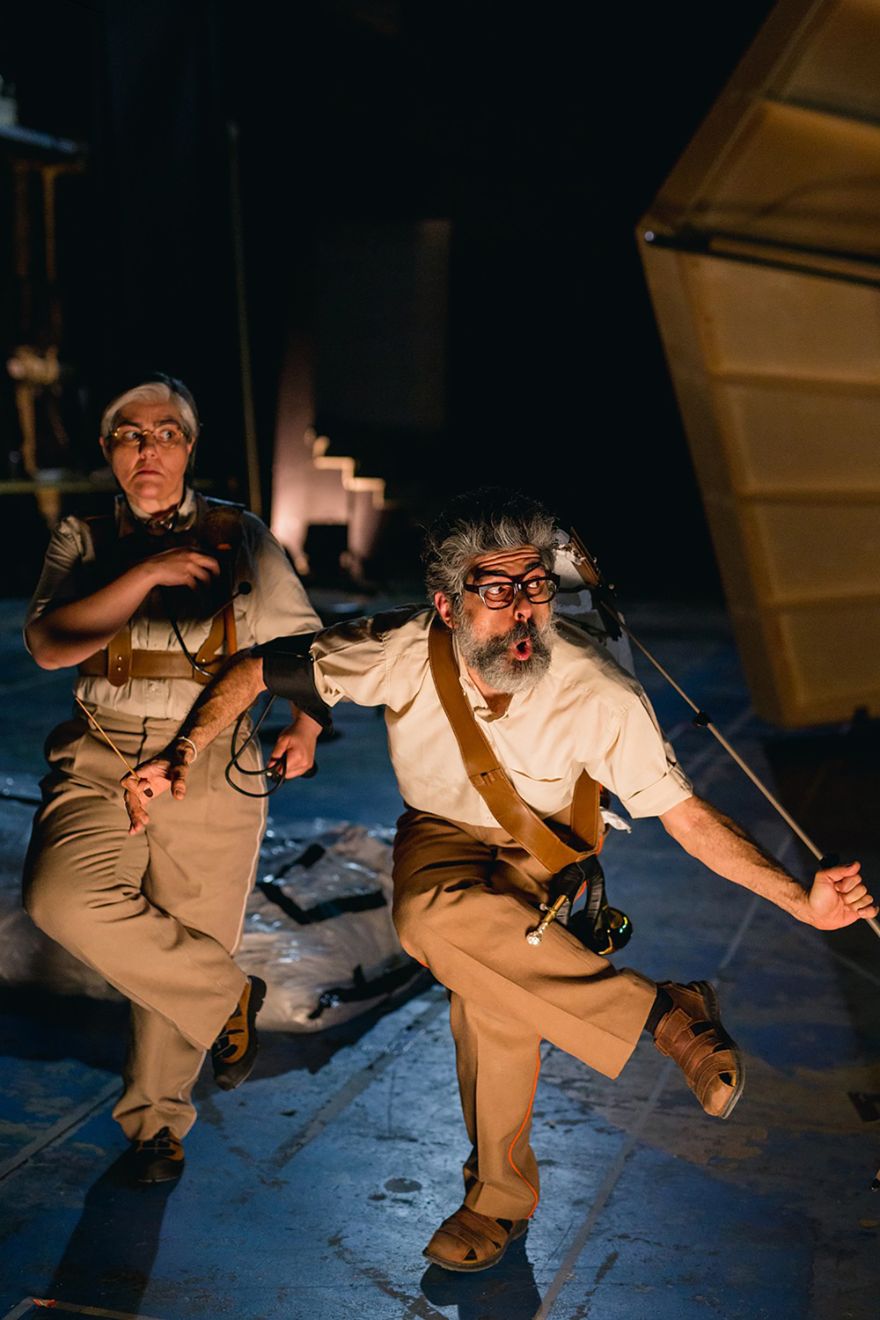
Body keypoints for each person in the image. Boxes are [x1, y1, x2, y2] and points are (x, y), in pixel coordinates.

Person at [123, 488, 876, 1265]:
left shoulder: (598, 692)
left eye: (536, 587)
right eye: (496, 591)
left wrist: (802, 902)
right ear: (447, 606)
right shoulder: (401, 650)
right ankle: (665, 1016)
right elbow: (259, 669)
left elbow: (688, 819)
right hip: (441, 837)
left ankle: (497, 1204)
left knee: (494, 1000)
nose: (523, 611)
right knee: (427, 916)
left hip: (548, 854)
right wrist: (185, 751)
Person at [23, 374, 321, 1184]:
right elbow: (50, 644)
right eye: (130, 434)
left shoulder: (240, 534)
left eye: (166, 433)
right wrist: (150, 572)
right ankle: (225, 995)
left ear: (189, 447)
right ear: (108, 449)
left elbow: (302, 643)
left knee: (194, 925)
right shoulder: (83, 539)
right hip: (102, 750)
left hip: (213, 754)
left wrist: (306, 725)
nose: (147, 449)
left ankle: (156, 1124)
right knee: (60, 897)